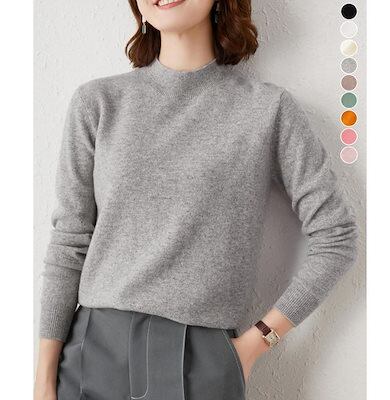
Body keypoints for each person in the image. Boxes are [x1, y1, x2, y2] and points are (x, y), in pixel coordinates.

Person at [34, 1, 359, 399]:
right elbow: (69, 241)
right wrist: (43, 379)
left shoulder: (267, 110)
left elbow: (337, 236)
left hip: (202, 365)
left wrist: (257, 343)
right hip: (92, 357)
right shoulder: (98, 103)